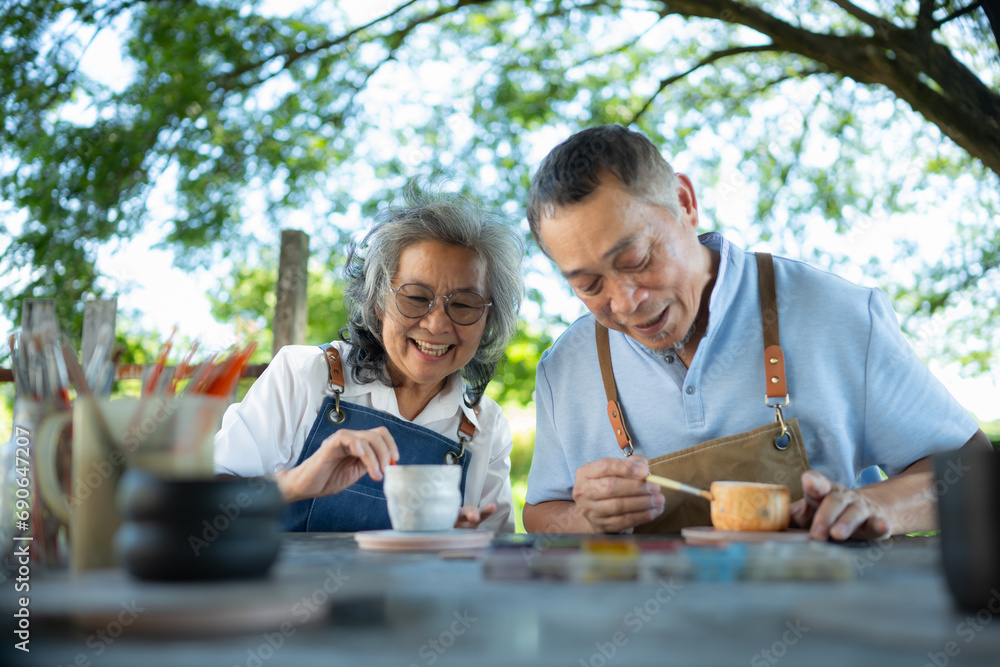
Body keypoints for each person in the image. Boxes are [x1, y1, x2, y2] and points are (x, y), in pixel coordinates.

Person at [522, 125, 992, 540]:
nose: (626, 302)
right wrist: (587, 520)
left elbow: (972, 468)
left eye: (637, 261)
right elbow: (542, 514)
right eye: (589, 285)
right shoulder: (565, 367)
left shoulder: (837, 313)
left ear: (685, 203)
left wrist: (877, 505)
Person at [214, 183, 524, 532]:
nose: (436, 324)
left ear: (487, 321)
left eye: (464, 304)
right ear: (378, 303)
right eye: (416, 297)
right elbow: (200, 505)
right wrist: (296, 482)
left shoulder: (486, 426)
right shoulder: (302, 374)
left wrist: (466, 545)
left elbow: (498, 560)